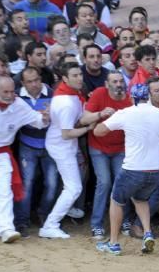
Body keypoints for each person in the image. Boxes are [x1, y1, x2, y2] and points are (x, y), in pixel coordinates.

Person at [92, 81, 159, 256]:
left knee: (116, 201)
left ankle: (114, 243)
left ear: (132, 97)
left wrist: (113, 121)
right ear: (148, 96)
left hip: (132, 169)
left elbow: (98, 131)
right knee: (140, 200)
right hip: (156, 171)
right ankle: (147, 232)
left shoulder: (126, 113)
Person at [40, 62, 111, 239]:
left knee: (71, 187)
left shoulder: (70, 94)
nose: (80, 78)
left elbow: (79, 119)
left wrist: (98, 115)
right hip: (61, 146)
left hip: (63, 145)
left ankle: (61, 213)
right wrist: (89, 129)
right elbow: (67, 133)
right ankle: (51, 224)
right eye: (75, 76)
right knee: (73, 188)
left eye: (80, 74)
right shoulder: (66, 102)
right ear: (65, 78)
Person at [0, 74, 48, 243]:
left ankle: (6, 228)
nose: (9, 95)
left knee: (4, 191)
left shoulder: (18, 104)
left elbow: (37, 120)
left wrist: (46, 116)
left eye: (12, 91)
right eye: (5, 91)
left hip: (2, 154)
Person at [86, 70, 132, 239]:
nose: (119, 84)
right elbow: (84, 118)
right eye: (114, 81)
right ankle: (96, 224)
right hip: (98, 147)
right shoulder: (99, 94)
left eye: (121, 81)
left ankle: (125, 220)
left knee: (122, 183)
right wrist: (100, 114)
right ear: (107, 84)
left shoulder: (129, 100)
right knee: (104, 182)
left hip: (120, 148)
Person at [14, 66, 56, 237]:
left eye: (37, 80)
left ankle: (44, 214)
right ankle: (22, 221)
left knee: (52, 183)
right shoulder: (16, 97)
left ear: (41, 79)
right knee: (27, 184)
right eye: (29, 82)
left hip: (50, 145)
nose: (34, 84)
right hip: (27, 145)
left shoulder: (53, 94)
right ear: (23, 83)